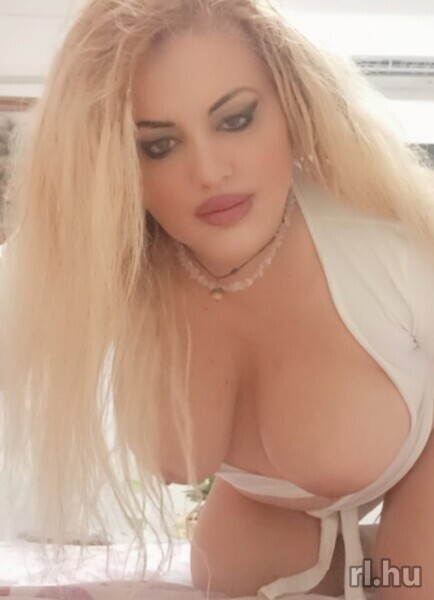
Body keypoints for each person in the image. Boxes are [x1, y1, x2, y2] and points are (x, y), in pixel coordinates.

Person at [0, 0, 434, 599]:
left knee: (410, 585)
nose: (208, 171)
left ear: (292, 105)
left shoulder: (389, 247)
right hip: (255, 532)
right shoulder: (112, 267)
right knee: (227, 575)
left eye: (235, 120)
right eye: (159, 146)